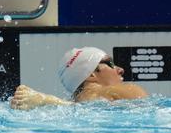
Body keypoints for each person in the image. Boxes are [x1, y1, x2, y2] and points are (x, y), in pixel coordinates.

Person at [9, 46, 148, 109]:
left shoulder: (77, 102)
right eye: (110, 63)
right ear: (91, 74)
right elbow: (145, 104)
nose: (121, 69)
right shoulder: (119, 92)